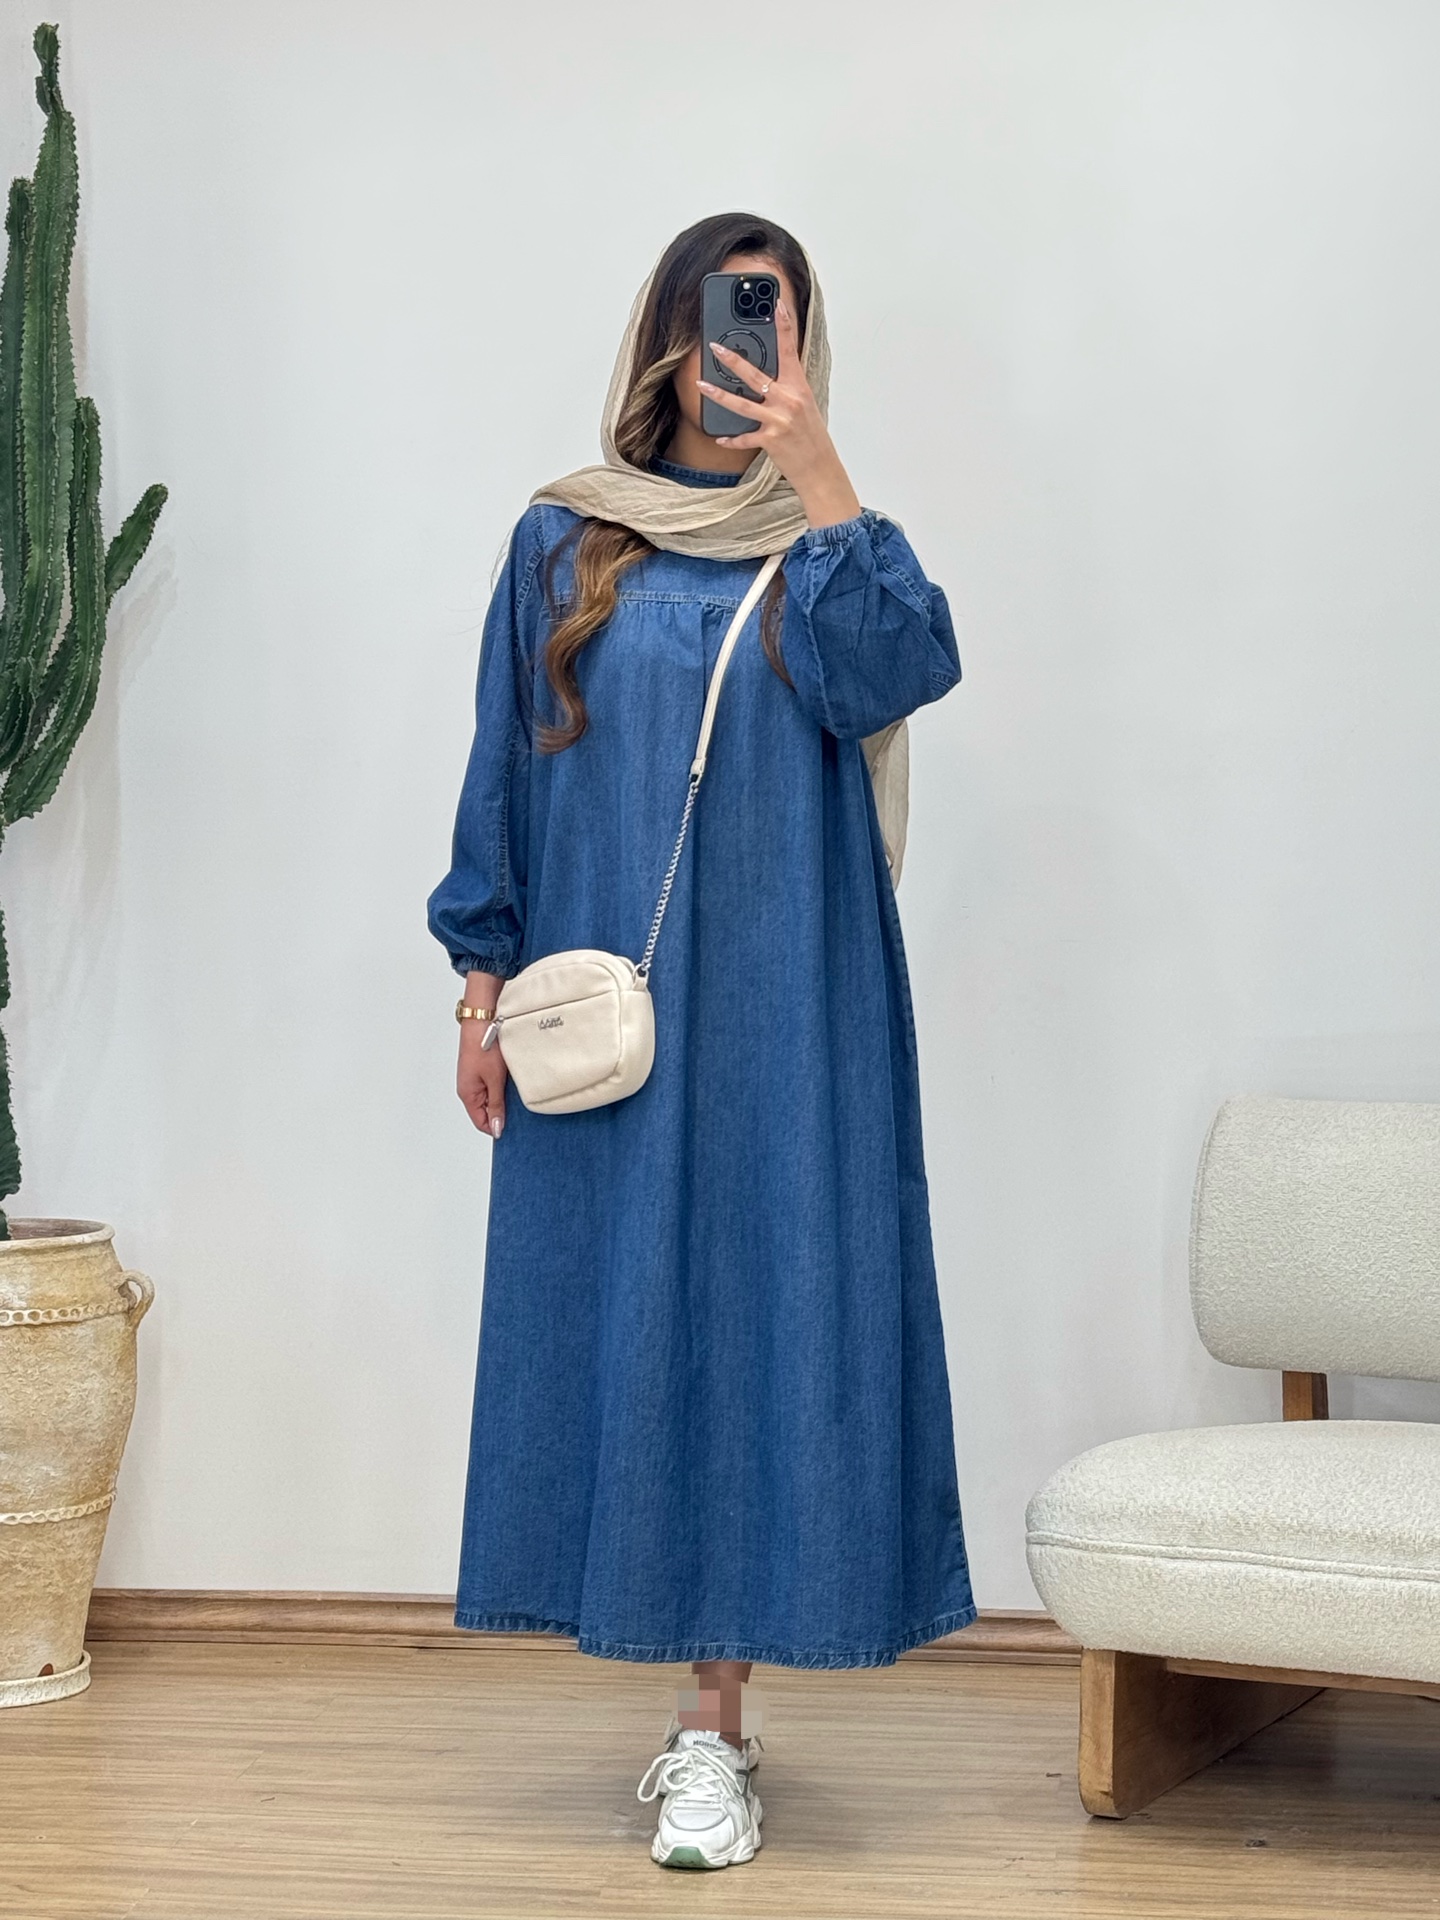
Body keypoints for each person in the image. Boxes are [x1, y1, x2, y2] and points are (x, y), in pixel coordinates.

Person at [427, 211, 974, 1872]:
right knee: (629, 1323)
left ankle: (710, 1731)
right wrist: (476, 987)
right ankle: (694, 1716)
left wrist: (822, 476)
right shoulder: (564, 538)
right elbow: (505, 769)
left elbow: (908, 669)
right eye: (733, 324)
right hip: (610, 1010)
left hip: (797, 1007)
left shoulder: (830, 550)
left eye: (781, 329)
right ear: (669, 340)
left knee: (768, 1323)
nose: (752, 358)